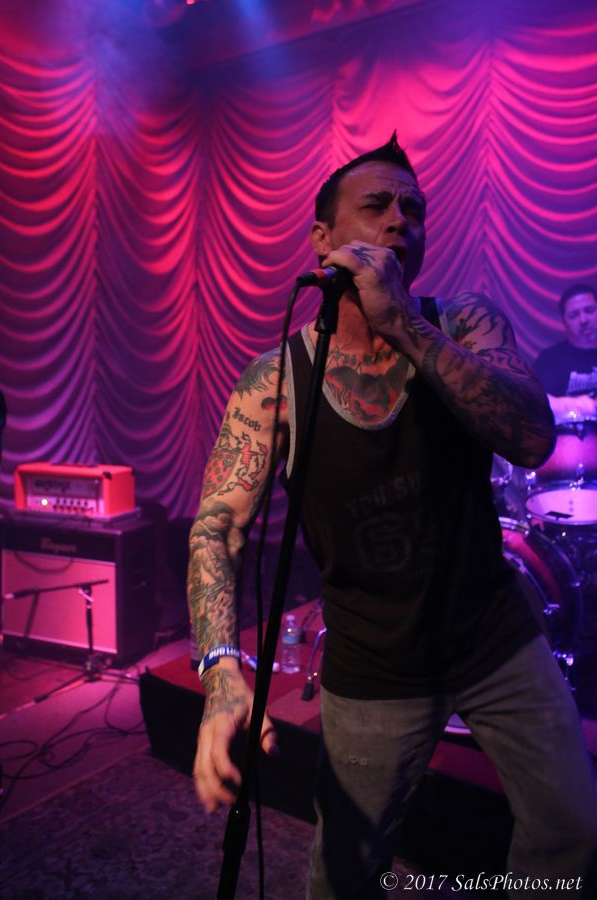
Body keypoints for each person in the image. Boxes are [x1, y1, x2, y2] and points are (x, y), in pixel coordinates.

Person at [188, 134, 597, 898]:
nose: (399, 220)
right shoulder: (274, 380)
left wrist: (403, 323)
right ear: (323, 239)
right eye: (375, 206)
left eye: (414, 209)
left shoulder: (464, 322)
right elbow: (217, 528)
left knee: (572, 828)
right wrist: (221, 672)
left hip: (494, 635)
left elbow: (533, 436)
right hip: (372, 666)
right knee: (344, 871)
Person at [534, 284, 597, 421]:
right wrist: (574, 405)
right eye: (574, 315)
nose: (583, 320)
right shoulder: (550, 359)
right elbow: (537, 401)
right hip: (572, 431)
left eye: (589, 310)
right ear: (564, 322)